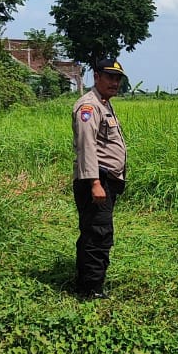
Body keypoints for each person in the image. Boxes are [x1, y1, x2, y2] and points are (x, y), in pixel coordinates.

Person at [72, 57, 127, 299]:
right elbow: (87, 147)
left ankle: (88, 281)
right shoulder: (89, 106)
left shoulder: (103, 103)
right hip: (96, 181)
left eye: (118, 78)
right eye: (109, 77)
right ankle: (90, 290)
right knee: (98, 234)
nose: (114, 82)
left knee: (96, 232)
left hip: (105, 180)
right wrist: (95, 183)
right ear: (96, 76)